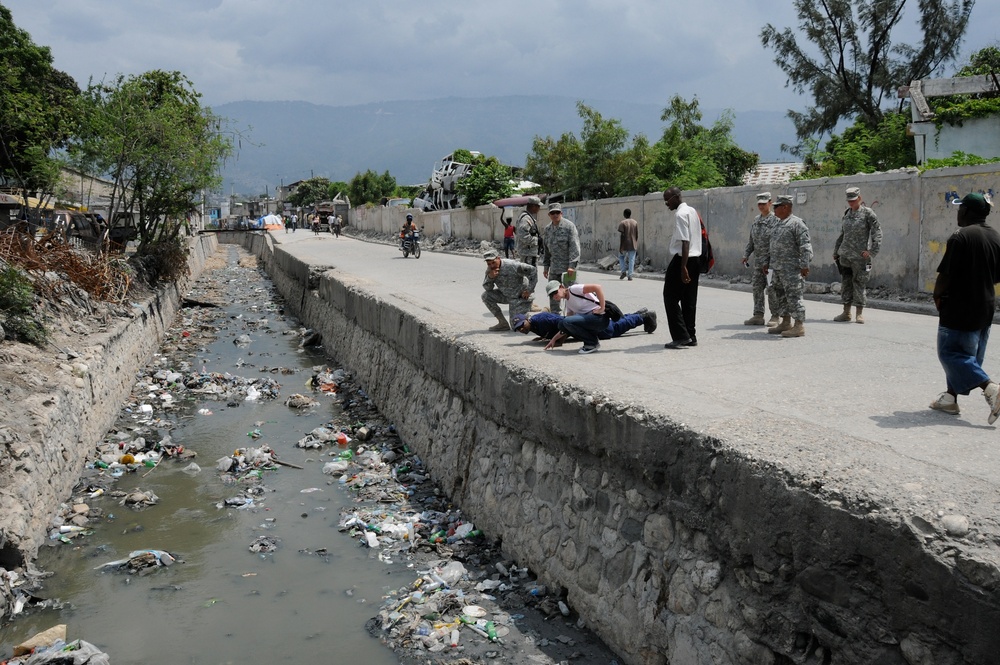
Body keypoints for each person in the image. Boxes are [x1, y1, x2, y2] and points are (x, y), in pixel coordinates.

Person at [929, 192, 1000, 422]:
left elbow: (945, 274)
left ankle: (991, 389)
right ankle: (950, 399)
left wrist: (938, 295)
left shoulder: (960, 236)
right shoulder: (995, 237)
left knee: (951, 353)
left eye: (960, 208)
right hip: (986, 306)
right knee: (969, 356)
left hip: (959, 307)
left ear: (968, 211)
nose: (958, 212)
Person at [761, 194, 813, 338]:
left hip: (791, 269)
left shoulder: (797, 224)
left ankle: (799, 325)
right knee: (780, 295)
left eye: (776, 207)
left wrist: (805, 264)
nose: (774, 209)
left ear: (785, 207)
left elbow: (805, 246)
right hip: (776, 268)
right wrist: (766, 263)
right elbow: (770, 245)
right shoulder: (777, 223)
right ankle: (785, 322)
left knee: (794, 296)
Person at [833, 186, 882, 324]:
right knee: (846, 284)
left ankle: (859, 313)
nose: (851, 203)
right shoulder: (847, 213)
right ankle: (846, 312)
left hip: (861, 258)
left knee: (859, 283)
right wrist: (836, 251)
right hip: (845, 256)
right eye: (849, 201)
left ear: (860, 198)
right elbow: (843, 234)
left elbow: (877, 232)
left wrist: (872, 251)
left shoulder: (868, 213)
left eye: (853, 200)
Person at [661, 187, 702, 349]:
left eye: (667, 199)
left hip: (683, 260)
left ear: (677, 197)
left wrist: (683, 267)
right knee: (688, 299)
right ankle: (691, 335)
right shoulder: (692, 211)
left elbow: (685, 242)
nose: (666, 203)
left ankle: (680, 336)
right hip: (695, 259)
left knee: (669, 297)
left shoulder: (680, 214)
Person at [741, 192, 780, 326]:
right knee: (757, 288)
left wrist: (771, 261)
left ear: (770, 202)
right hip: (758, 263)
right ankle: (758, 315)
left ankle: (775, 316)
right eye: (759, 204)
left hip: (770, 263)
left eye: (764, 204)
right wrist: (746, 254)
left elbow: (777, 243)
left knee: (772, 289)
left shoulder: (776, 220)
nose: (761, 206)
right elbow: (751, 241)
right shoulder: (756, 220)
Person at [512, 307, 656, 342]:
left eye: (521, 325)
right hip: (580, 327)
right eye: (518, 329)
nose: (521, 329)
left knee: (614, 329)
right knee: (614, 325)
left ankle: (643, 317)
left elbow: (563, 323)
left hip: (582, 326)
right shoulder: (534, 326)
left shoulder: (541, 319)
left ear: (526, 319)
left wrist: (557, 340)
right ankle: (638, 314)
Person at [543, 280, 607, 354]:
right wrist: (554, 339)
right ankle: (591, 341)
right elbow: (565, 325)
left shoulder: (574, 289)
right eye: (551, 295)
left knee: (566, 321)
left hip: (600, 318)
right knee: (562, 323)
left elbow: (597, 287)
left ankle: (592, 343)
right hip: (590, 320)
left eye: (555, 292)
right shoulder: (568, 303)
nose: (554, 296)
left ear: (561, 287)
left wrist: (602, 308)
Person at [481, 248, 538, 331]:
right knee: (486, 296)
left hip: (520, 297)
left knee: (517, 326)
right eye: (489, 264)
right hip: (506, 295)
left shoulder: (512, 265)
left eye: (493, 262)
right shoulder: (490, 270)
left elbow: (533, 271)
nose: (492, 265)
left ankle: (542, 312)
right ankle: (502, 323)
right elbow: (487, 288)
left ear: (499, 258)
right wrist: (490, 277)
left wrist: (529, 290)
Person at [542, 203, 580, 314]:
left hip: (568, 269)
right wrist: (546, 267)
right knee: (553, 294)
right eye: (552, 213)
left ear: (561, 213)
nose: (555, 215)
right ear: (549, 215)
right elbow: (546, 250)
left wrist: (572, 266)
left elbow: (575, 247)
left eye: (557, 212)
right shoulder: (548, 229)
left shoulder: (569, 227)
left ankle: (574, 318)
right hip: (554, 269)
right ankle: (555, 318)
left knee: (572, 294)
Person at [514, 196, 542, 267]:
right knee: (530, 277)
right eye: (538, 206)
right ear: (533, 206)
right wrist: (536, 240)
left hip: (528, 254)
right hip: (528, 254)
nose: (539, 208)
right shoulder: (526, 219)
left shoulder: (528, 217)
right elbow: (523, 235)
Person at [618, 208, 639, 280]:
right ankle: (630, 275)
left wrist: (621, 246)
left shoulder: (622, 223)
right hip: (633, 243)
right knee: (631, 259)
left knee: (621, 257)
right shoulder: (635, 222)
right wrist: (635, 243)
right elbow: (636, 235)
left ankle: (623, 271)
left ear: (624, 214)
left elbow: (622, 235)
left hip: (624, 244)